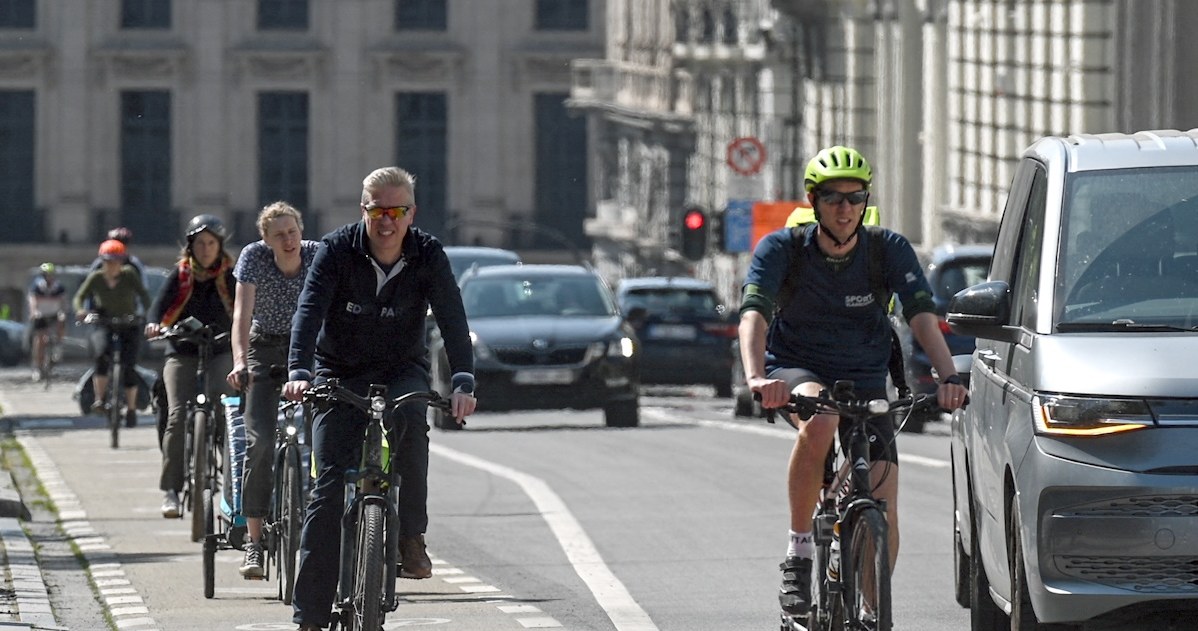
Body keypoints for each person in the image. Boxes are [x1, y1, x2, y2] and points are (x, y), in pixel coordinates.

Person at [737, 145, 968, 618]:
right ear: (813, 201)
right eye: (833, 198)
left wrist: (948, 376)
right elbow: (753, 314)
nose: (845, 208)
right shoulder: (782, 249)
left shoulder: (887, 249)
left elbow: (922, 315)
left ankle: (870, 610)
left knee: (883, 496)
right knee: (820, 424)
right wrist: (757, 376)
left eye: (855, 197)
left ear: (866, 201)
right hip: (797, 371)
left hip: (866, 379)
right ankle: (799, 554)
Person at [282, 166, 477, 631]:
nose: (386, 221)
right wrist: (299, 370)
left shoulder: (428, 253)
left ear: (411, 214)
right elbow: (308, 310)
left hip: (399, 369)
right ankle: (309, 614)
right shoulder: (336, 250)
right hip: (337, 371)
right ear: (363, 209)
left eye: (396, 211)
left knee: (413, 421)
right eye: (377, 210)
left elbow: (451, 314)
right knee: (326, 489)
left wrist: (464, 380)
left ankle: (411, 536)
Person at [223, 201, 319, 578]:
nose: (289, 239)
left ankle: (322, 518)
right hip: (264, 349)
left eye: (292, 231)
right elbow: (241, 317)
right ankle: (254, 541)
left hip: (309, 350)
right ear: (266, 239)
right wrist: (240, 362)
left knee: (323, 435)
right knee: (260, 441)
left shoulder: (316, 255)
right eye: (279, 234)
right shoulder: (254, 258)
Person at [145, 215, 236, 520]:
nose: (206, 249)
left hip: (220, 351)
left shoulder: (232, 276)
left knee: (228, 411)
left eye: (211, 243)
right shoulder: (181, 276)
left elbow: (246, 309)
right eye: (200, 243)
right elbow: (159, 309)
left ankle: (233, 488)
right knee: (176, 415)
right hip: (181, 351)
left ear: (220, 246)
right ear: (191, 247)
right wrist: (156, 326)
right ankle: (171, 489)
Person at [73, 241, 152, 424]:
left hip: (128, 322)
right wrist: (81, 311)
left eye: (116, 261)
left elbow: (144, 295)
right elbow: (80, 296)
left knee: (129, 366)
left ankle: (131, 408)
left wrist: (143, 313)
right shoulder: (96, 277)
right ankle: (100, 399)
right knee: (101, 356)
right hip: (104, 322)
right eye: (108, 261)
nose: (112, 266)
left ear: (122, 262)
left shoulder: (129, 275)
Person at [27, 263, 67, 381]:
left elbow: (63, 302)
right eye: (46, 275)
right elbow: (32, 300)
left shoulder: (58, 287)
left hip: (54, 313)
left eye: (50, 275)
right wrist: (34, 312)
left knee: (61, 321)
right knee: (40, 339)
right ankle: (38, 367)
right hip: (41, 315)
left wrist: (62, 312)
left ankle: (58, 346)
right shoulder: (37, 286)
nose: (49, 277)